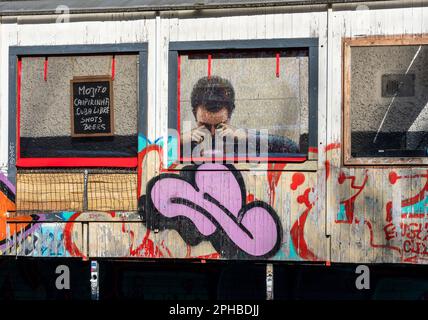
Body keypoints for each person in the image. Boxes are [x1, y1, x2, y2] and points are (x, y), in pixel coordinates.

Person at [180, 75, 300, 159]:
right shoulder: (188, 142)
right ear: (195, 115)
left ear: (229, 116)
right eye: (204, 125)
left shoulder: (240, 139)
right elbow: (161, 154)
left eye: (219, 125)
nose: (212, 132)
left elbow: (292, 148)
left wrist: (244, 137)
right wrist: (180, 141)